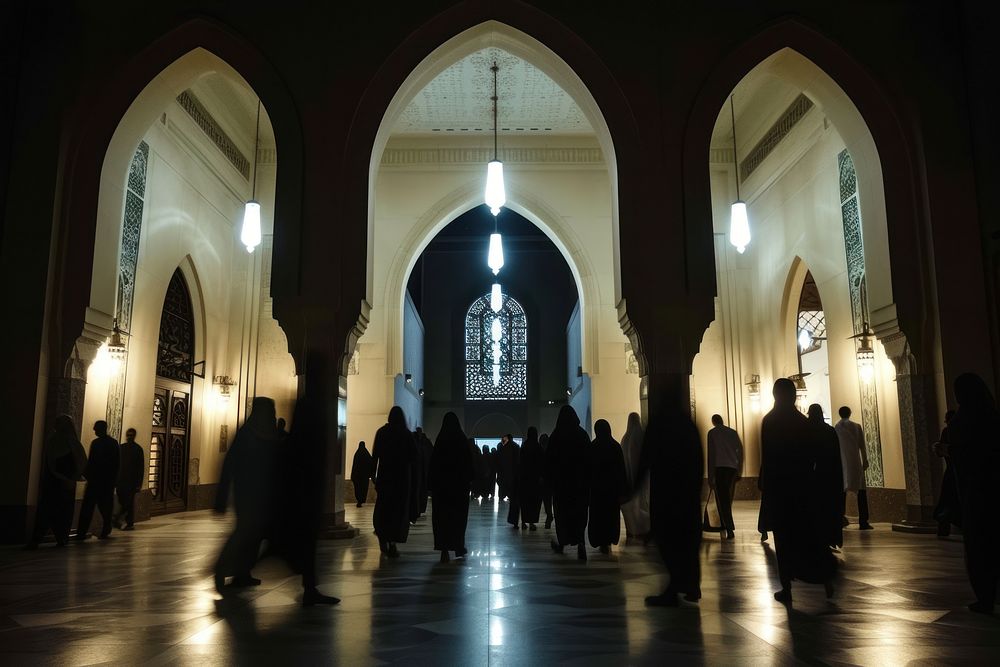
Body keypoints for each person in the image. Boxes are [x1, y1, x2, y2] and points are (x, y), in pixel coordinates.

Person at [761, 380, 836, 603]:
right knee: (808, 535)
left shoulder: (770, 421)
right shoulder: (802, 422)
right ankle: (824, 579)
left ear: (775, 395)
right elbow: (813, 456)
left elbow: (769, 458)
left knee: (783, 541)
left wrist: (768, 486)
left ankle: (786, 587)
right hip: (802, 489)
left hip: (780, 490)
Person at [267, 389, 340, 605]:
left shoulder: (293, 442)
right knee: (295, 546)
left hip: (302, 505)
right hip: (302, 505)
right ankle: (309, 588)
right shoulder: (301, 444)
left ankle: (310, 588)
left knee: (299, 547)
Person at [942, 373, 1000, 614]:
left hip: (975, 493)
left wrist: (946, 450)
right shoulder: (992, 417)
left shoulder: (963, 420)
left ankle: (985, 597)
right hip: (994, 489)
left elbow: (962, 451)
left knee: (979, 546)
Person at [636, 408, 703, 606]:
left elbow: (645, 461)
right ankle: (690, 586)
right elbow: (699, 459)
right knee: (687, 543)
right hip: (686, 495)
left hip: (667, 494)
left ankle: (675, 588)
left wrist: (632, 490)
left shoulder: (658, 425)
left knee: (669, 542)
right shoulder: (688, 426)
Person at [214, 397, 280, 593]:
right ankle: (221, 569)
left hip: (263, 495)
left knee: (255, 536)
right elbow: (230, 465)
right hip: (248, 495)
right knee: (244, 533)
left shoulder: (268, 434)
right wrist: (221, 498)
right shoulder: (247, 435)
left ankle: (243, 573)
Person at [26, 415, 86, 549]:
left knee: (55, 511)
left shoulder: (62, 441)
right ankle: (51, 537)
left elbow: (78, 462)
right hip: (59, 483)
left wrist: (68, 477)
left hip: (59, 483)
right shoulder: (60, 441)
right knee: (55, 511)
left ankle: (55, 538)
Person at [546, 406, 591, 560]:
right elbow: (588, 459)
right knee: (579, 514)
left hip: (561, 485)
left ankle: (562, 544)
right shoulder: (582, 435)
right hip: (579, 484)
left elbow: (550, 461)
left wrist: (549, 481)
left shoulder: (556, 436)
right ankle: (581, 544)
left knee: (563, 515)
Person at [372, 406, 417, 557]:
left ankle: (382, 535)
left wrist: (373, 476)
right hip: (402, 479)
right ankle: (392, 543)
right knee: (397, 512)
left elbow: (375, 456)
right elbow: (414, 458)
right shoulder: (406, 435)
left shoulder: (382, 433)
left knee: (384, 509)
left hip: (385, 478)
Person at [429, 412, 474, 562]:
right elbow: (468, 463)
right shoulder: (461, 440)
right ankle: (458, 546)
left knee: (442, 519)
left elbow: (433, 464)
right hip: (458, 488)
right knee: (458, 518)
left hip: (442, 489)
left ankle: (443, 550)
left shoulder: (440, 440)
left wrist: (431, 485)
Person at [588, 419, 628, 554]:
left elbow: (587, 470)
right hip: (612, 490)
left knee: (598, 516)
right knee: (610, 516)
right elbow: (621, 470)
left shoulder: (593, 446)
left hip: (597, 490)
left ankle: (600, 540)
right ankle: (609, 539)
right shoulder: (615, 446)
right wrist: (623, 490)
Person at [75, 420, 120, 540]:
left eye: (96, 428)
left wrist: (87, 474)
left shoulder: (96, 443)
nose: (94, 430)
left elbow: (92, 462)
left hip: (97, 480)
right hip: (105, 481)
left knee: (89, 507)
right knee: (105, 507)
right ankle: (105, 528)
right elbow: (116, 463)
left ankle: (82, 532)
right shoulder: (113, 443)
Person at [808, 405, 845, 549]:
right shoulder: (829, 431)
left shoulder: (805, 431)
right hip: (829, 477)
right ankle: (830, 538)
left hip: (812, 478)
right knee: (828, 509)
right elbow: (836, 457)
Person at [834, 406, 872, 530]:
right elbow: (862, 446)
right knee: (861, 493)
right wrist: (865, 460)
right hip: (856, 463)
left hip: (842, 463)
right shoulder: (857, 426)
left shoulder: (836, 428)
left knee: (841, 493)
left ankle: (840, 518)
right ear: (850, 413)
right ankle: (863, 521)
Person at [706, 414, 743, 540]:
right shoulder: (732, 432)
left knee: (722, 500)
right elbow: (740, 450)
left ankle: (728, 527)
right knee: (728, 498)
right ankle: (726, 524)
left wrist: (710, 476)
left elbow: (711, 455)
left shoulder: (712, 433)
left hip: (719, 468)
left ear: (713, 422)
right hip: (732, 468)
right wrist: (739, 470)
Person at [620, 413, 649, 543]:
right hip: (640, 477)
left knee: (635, 507)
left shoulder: (625, 438)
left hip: (628, 478)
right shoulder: (640, 435)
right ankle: (643, 530)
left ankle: (633, 530)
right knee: (643, 503)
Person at [932, 410, 961, 537]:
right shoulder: (952, 431)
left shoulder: (948, 431)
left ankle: (944, 526)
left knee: (947, 500)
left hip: (953, 471)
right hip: (956, 471)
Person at [114, 428, 144, 531]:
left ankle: (128, 521)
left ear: (134, 436)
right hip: (121, 480)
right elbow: (116, 464)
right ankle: (119, 519)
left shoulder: (138, 449)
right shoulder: (121, 448)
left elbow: (140, 467)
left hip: (131, 481)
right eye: (128, 435)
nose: (129, 437)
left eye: (131, 435)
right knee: (123, 501)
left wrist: (139, 483)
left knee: (129, 502)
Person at [518, 427, 545, 530]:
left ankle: (524, 521)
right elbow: (542, 463)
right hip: (535, 479)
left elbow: (520, 462)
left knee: (525, 501)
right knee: (534, 502)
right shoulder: (537, 447)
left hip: (525, 478)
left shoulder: (524, 446)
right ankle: (532, 522)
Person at [502, 434, 521, 528]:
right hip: (517, 477)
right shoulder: (516, 447)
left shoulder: (505, 448)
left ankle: (514, 521)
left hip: (510, 477)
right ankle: (520, 521)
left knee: (513, 501)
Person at [415, 427, 434, 516]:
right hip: (424, 471)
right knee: (422, 491)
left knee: (421, 491)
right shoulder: (426, 443)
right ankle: (419, 508)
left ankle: (419, 508)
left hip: (420, 471)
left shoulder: (420, 442)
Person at [351, 441, 373, 507]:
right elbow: (371, 462)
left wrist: (353, 475)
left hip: (357, 476)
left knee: (358, 488)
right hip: (364, 476)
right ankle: (361, 501)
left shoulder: (357, 454)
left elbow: (354, 465)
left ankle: (359, 500)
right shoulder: (366, 454)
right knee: (363, 489)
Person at [539, 433, 553, 528]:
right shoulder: (551, 451)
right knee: (548, 499)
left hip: (542, 479)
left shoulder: (539, 451)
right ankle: (549, 515)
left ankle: (549, 515)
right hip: (550, 478)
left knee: (546, 499)